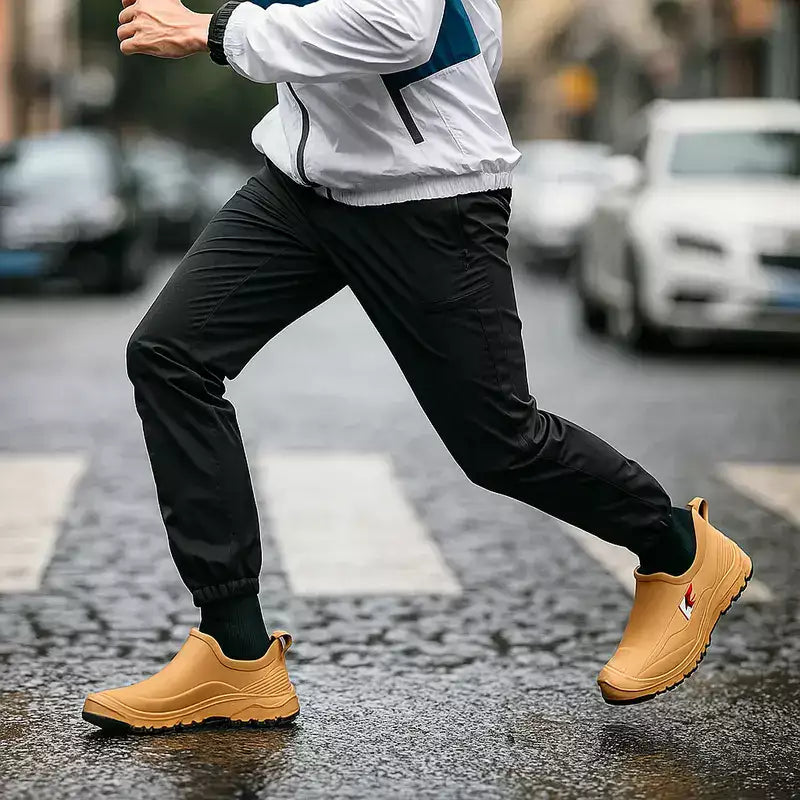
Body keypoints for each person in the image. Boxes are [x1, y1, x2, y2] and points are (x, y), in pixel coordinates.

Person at [82, 0, 753, 733]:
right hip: (304, 185)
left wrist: (216, 32)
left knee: (499, 442)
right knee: (170, 353)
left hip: (429, 194)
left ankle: (679, 550)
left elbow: (404, 25)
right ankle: (236, 652)